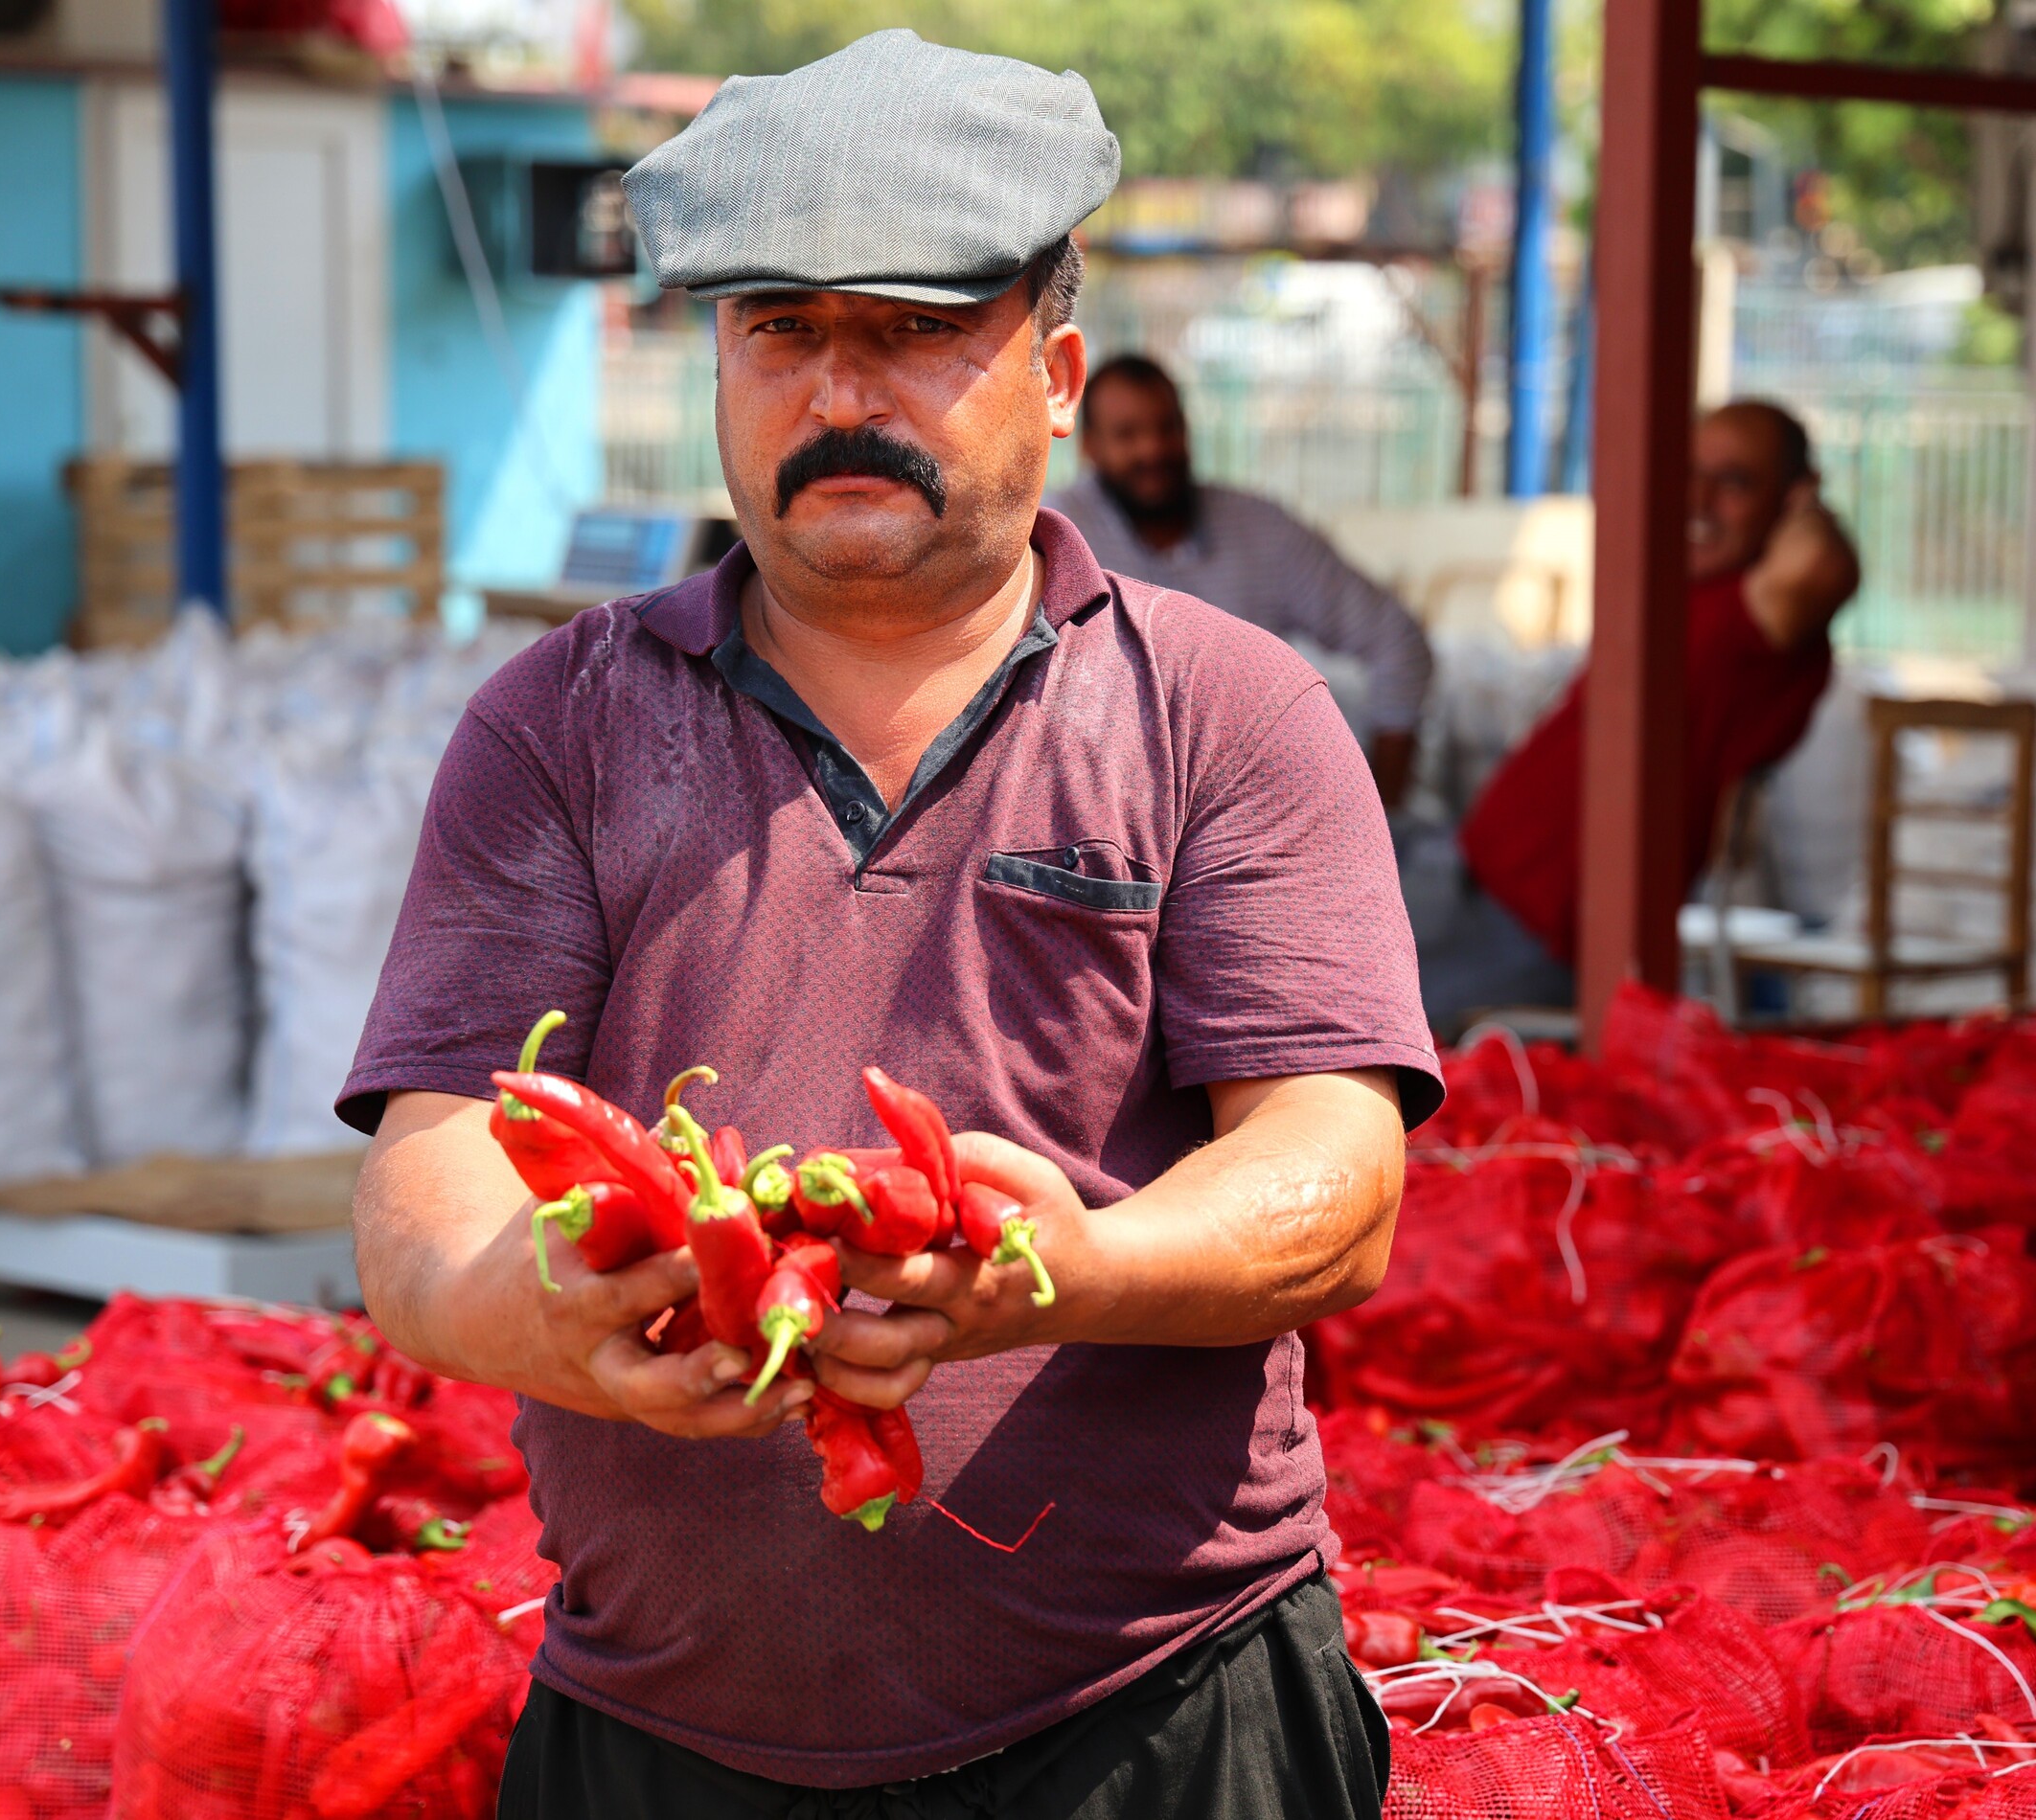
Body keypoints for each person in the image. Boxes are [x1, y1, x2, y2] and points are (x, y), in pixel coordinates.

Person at [339, 30, 1437, 1820]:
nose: (837, 387)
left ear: (1058, 374)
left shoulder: (1225, 713)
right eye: (776, 330)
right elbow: (431, 1169)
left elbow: (1333, 1173)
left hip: (1154, 1728)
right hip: (659, 1743)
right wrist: (548, 1313)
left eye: (918, 328)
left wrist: (1072, 1274)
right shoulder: (555, 726)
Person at [1417, 399, 1862, 1034]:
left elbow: (1820, 563)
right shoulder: (1696, 592)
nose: (1700, 500)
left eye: (1734, 482)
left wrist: (1806, 509)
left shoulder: (1761, 629)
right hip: (1470, 878)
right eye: (1690, 474)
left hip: (1527, 929)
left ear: (1794, 500)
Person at [1049, 355, 1435, 808]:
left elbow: (1399, 642)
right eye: (1128, 435)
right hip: (1099, 816)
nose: (1152, 450)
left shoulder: (1262, 531)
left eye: (1166, 427)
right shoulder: (1057, 536)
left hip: (1249, 815)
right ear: (1088, 446)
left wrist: (1380, 804)